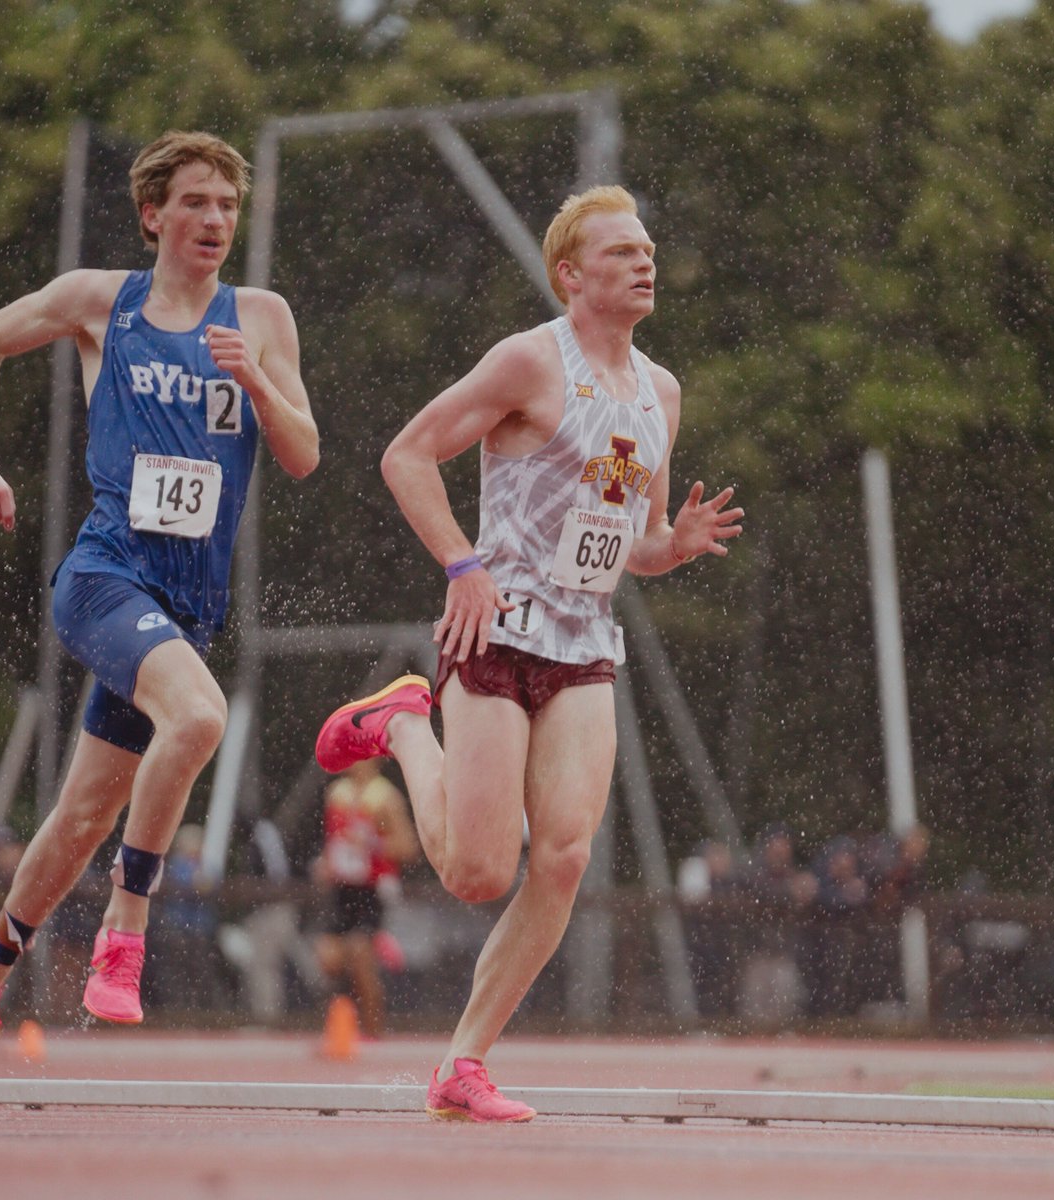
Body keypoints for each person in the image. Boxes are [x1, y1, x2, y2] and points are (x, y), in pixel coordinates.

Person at [315, 185, 743, 1121]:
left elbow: (637, 538)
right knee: (478, 873)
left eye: (649, 249)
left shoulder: (660, 392)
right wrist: (461, 564)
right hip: (496, 631)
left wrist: (678, 544)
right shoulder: (527, 362)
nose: (645, 262)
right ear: (571, 274)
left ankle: (462, 1062)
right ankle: (400, 728)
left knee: (563, 856)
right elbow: (407, 454)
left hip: (586, 643)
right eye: (622, 251)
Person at [0, 130, 318, 1084]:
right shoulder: (102, 302)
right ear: (154, 213)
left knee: (78, 815)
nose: (214, 221)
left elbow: (303, 452)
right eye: (196, 203)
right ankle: (130, 921)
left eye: (228, 208)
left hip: (187, 602)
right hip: (105, 576)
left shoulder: (262, 317)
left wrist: (256, 382)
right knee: (200, 717)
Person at [312, 759, 419, 1038]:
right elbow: (333, 842)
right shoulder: (337, 795)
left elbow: (408, 847)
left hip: (373, 889)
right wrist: (325, 863)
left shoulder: (385, 798)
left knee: (360, 953)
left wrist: (374, 845)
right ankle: (342, 1023)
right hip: (342, 889)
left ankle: (373, 1030)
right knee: (328, 956)